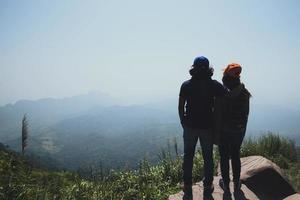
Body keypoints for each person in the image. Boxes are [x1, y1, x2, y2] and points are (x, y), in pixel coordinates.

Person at [178, 56, 227, 199]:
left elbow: (181, 106)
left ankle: (187, 185)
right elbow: (228, 94)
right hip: (207, 127)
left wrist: (183, 122)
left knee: (188, 156)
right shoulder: (214, 85)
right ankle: (208, 185)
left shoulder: (186, 85)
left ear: (193, 68)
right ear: (208, 69)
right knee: (208, 157)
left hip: (190, 127)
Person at [218, 63, 251, 197]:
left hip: (224, 130)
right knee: (235, 154)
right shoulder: (244, 92)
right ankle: (236, 182)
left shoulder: (222, 91)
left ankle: (226, 184)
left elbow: (217, 112)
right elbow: (246, 113)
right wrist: (242, 128)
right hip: (239, 130)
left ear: (226, 76)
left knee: (224, 156)